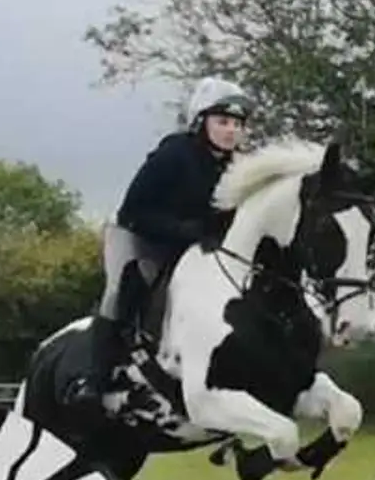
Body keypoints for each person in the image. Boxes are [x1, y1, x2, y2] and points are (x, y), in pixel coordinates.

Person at [61, 77, 252, 413]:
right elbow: (134, 209)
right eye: (222, 122)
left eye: (237, 124)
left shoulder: (237, 166)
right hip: (137, 234)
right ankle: (94, 379)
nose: (231, 131)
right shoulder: (174, 153)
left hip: (189, 243)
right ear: (200, 122)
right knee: (121, 289)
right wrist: (187, 230)